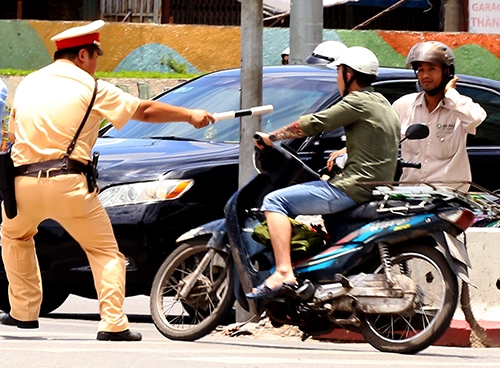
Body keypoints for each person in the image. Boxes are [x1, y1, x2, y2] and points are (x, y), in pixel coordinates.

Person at [0, 20, 214, 341]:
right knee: (104, 253)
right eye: (96, 56)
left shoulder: (29, 84)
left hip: (21, 184)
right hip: (68, 183)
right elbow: (145, 111)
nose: (97, 63)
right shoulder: (93, 88)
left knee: (15, 238)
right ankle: (114, 323)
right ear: (83, 55)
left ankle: (23, 313)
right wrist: (190, 115)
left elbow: (13, 136)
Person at [246, 46, 400, 299]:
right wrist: (344, 152)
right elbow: (371, 142)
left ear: (348, 74)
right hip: (375, 187)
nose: (337, 78)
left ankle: (283, 271)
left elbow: (315, 123)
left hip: (353, 188)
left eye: (338, 73)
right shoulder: (381, 102)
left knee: (274, 201)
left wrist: (272, 137)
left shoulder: (357, 101)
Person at [392, 41, 487, 191]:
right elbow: (382, 139)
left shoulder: (458, 108)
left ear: (446, 71)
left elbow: (476, 118)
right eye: (421, 70)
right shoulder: (403, 106)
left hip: (448, 202)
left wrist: (450, 93)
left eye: (432, 69)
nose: (425, 75)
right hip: (409, 196)